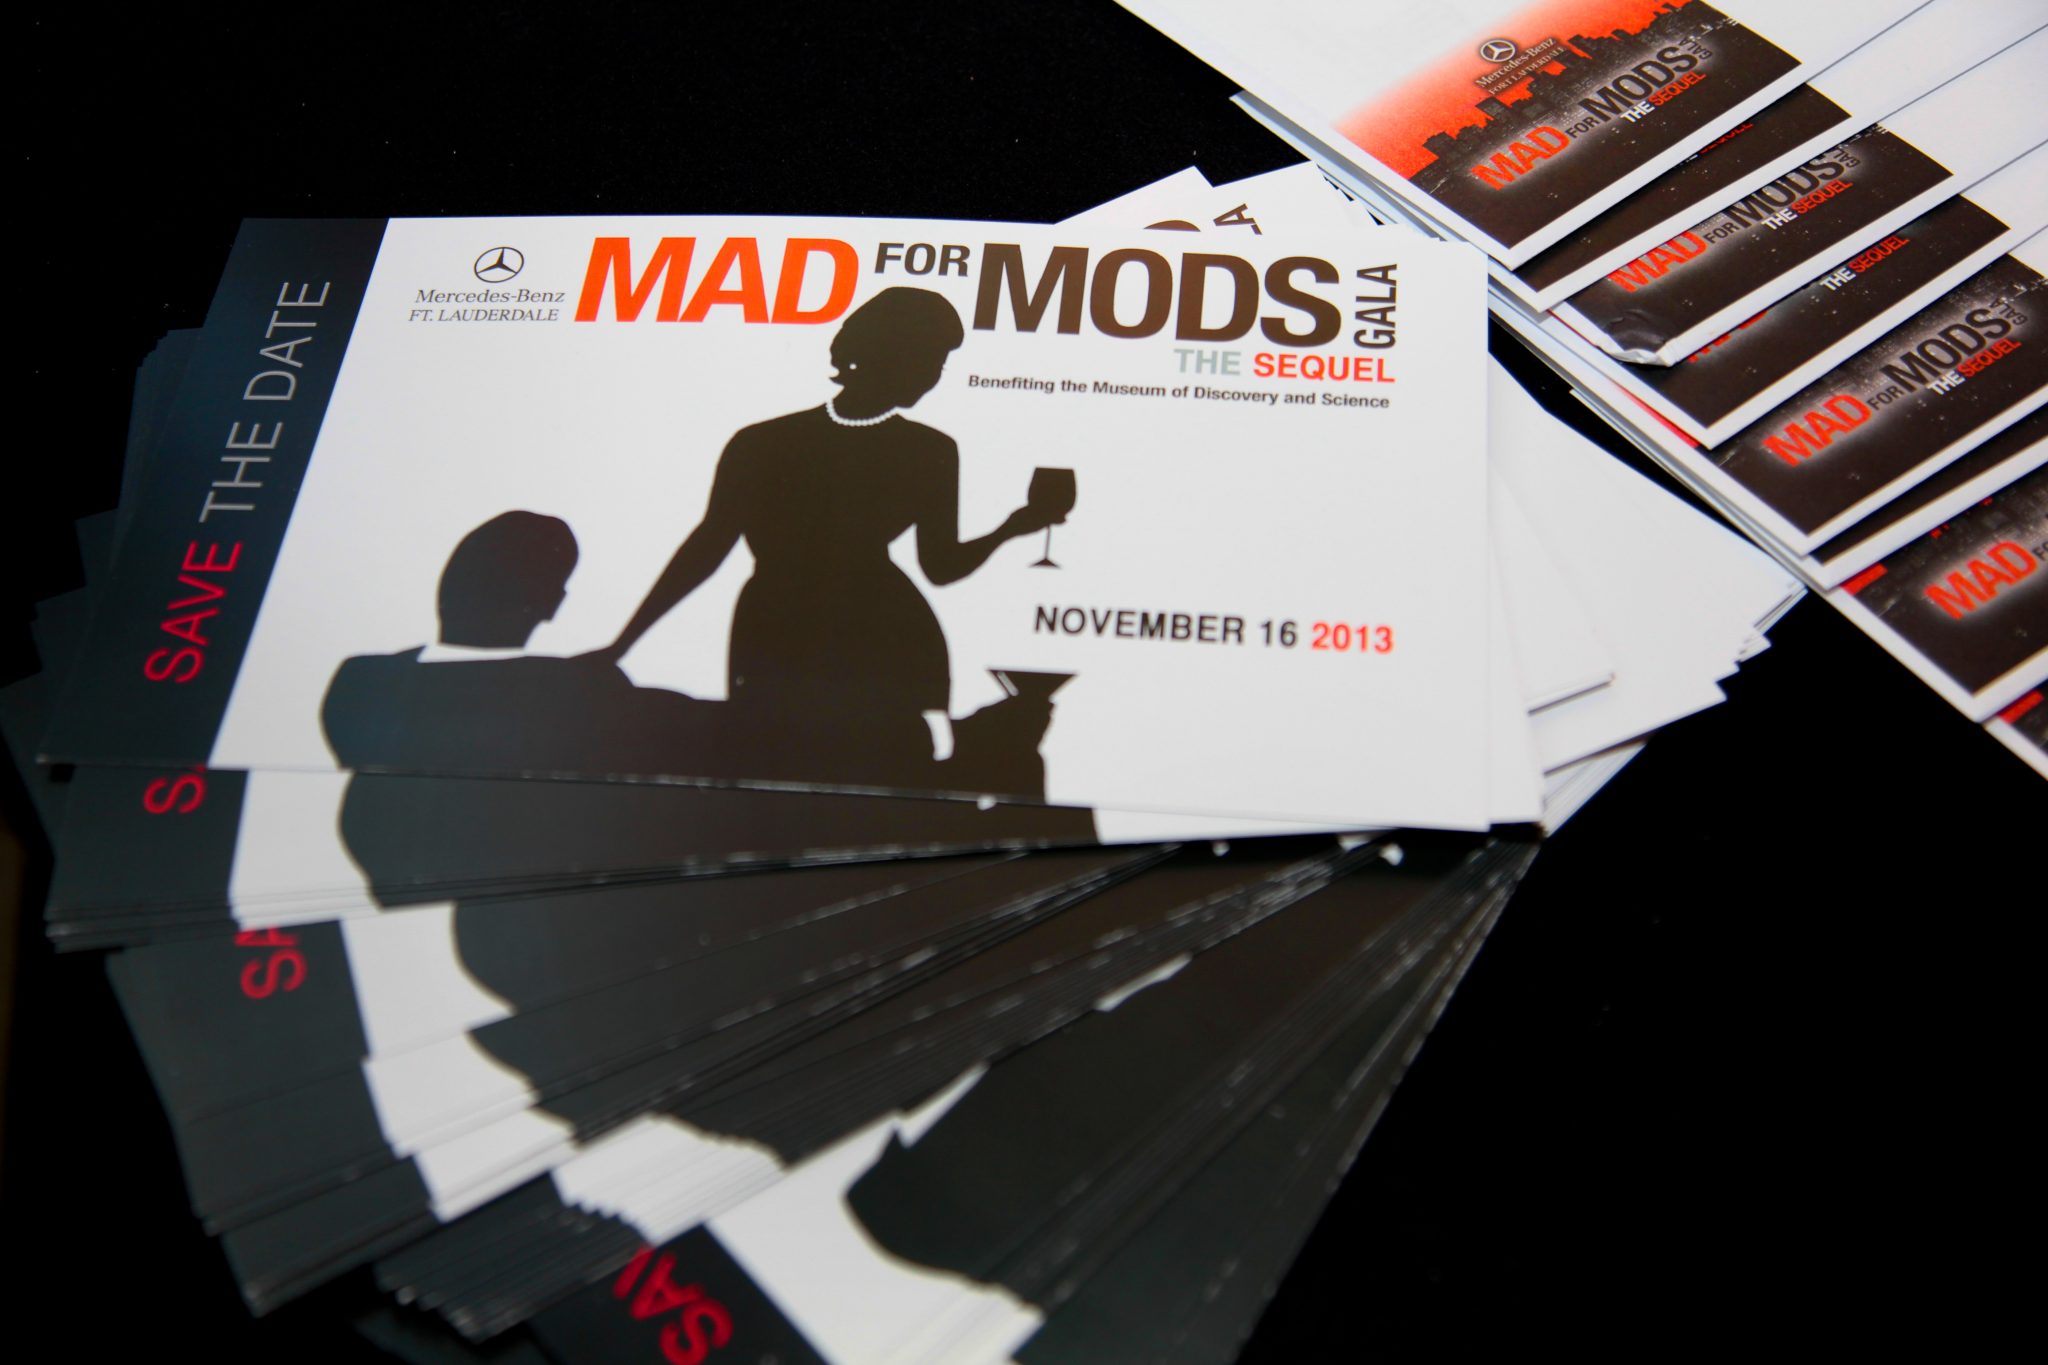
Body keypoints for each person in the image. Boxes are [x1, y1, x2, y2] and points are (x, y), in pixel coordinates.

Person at [595, 287, 1062, 787]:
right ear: (883, 351)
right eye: (927, 358)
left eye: (940, 363)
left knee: (878, 774)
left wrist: (1011, 528)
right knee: (779, 771)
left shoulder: (927, 449)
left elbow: (939, 566)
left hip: (883, 638)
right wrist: (620, 645)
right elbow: (707, 547)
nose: (932, 375)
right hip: (784, 632)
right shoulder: (766, 441)